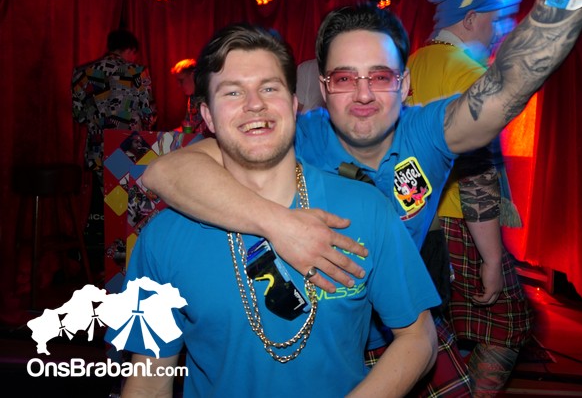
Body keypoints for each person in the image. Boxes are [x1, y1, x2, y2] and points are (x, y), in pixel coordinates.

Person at [142, 0, 582, 395]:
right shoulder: (290, 134)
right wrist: (279, 225)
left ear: (405, 84)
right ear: (323, 88)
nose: (364, 94)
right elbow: (165, 172)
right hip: (321, 330)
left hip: (399, 323)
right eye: (345, 78)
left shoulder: (427, 132)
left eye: (381, 76)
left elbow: (507, 86)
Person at [106, 24, 440, 397]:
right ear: (208, 116)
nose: (255, 104)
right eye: (233, 92)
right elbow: (148, 381)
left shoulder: (365, 208)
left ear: (295, 105)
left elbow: (419, 337)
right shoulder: (162, 238)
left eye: (269, 88)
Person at [406, 0, 533, 396]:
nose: (504, 29)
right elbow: (477, 171)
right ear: (471, 17)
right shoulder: (469, 72)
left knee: (425, 331)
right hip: (461, 223)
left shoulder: (413, 62)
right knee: (508, 324)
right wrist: (492, 258)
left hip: (418, 224)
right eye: (499, 19)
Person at [72, 29, 157, 188]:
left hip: (98, 149)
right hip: (128, 146)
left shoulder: (81, 73)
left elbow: (78, 115)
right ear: (130, 49)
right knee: (128, 197)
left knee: (107, 196)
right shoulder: (137, 71)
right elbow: (148, 113)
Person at [170, 58, 207, 133]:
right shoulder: (192, 98)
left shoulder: (210, 96)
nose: (179, 85)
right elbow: (188, 126)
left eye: (181, 80)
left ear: (193, 76)